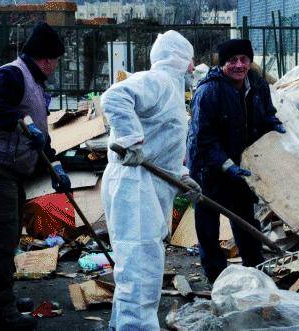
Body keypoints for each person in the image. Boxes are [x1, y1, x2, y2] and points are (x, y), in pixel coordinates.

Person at [0, 21, 68, 330]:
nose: (56, 66)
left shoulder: (34, 83)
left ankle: (3, 297)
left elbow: (38, 135)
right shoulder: (11, 74)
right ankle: (1, 314)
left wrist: (55, 164)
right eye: (56, 60)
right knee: (0, 241)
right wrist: (20, 118)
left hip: (6, 172)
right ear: (46, 59)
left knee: (7, 239)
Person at [100, 30, 200, 330]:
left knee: (136, 270)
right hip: (135, 186)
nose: (194, 67)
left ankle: (122, 326)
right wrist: (130, 140)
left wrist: (181, 175)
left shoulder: (169, 87)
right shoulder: (157, 81)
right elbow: (114, 97)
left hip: (146, 186)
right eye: (191, 59)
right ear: (180, 59)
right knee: (140, 273)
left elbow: (161, 145)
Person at [187, 39, 284, 283]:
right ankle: (217, 279)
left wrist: (273, 125)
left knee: (244, 219)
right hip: (208, 168)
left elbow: (266, 114)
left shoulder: (258, 84)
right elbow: (203, 138)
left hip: (241, 165)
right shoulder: (209, 92)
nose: (239, 65)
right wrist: (225, 164)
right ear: (222, 63)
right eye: (232, 60)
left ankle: (256, 273)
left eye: (244, 59)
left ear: (250, 61)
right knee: (208, 225)